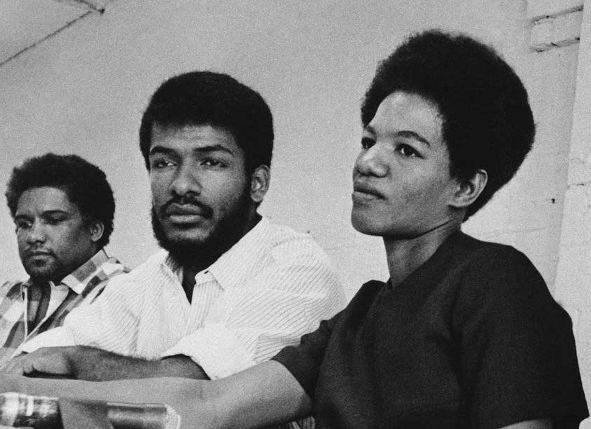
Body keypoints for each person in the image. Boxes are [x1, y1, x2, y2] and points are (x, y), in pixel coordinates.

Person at [0, 30, 588, 429]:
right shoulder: (357, 319)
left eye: (406, 150)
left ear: (465, 187)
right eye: (369, 140)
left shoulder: (495, 283)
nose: (369, 162)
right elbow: (205, 405)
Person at [3, 71, 345, 385]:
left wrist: (75, 363)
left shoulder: (297, 268)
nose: (181, 185)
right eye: (163, 162)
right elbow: (31, 361)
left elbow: (193, 388)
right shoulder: (145, 282)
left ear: (257, 183)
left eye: (211, 162)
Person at [0, 154, 126, 366]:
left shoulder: (126, 293)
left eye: (54, 220)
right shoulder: (6, 296)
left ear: (94, 230)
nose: (33, 237)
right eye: (24, 223)